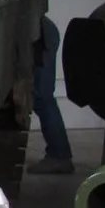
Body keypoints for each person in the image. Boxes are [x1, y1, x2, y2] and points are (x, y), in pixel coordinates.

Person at [29, 15, 74, 174]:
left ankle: (59, 156)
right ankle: (59, 154)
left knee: (42, 98)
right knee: (42, 98)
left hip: (40, 38)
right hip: (39, 35)